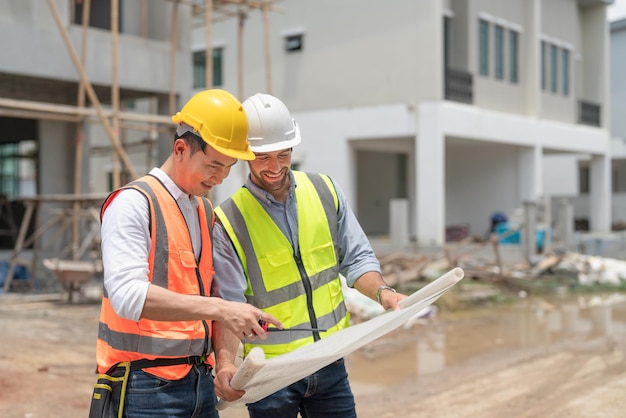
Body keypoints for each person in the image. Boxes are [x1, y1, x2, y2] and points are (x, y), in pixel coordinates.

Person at [212, 93, 407, 418]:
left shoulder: (325, 191)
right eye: (263, 158)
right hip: (271, 375)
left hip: (329, 359)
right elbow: (229, 307)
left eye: (283, 154)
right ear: (246, 156)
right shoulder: (230, 221)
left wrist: (384, 294)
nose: (274, 167)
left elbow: (357, 259)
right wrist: (226, 364)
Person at [91, 89, 282, 418]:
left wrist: (224, 364)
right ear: (181, 148)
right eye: (213, 165)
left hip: (200, 383)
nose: (220, 177)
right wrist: (223, 309)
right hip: (144, 388)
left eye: (228, 168)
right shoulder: (133, 204)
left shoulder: (205, 212)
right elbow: (127, 295)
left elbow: (213, 296)